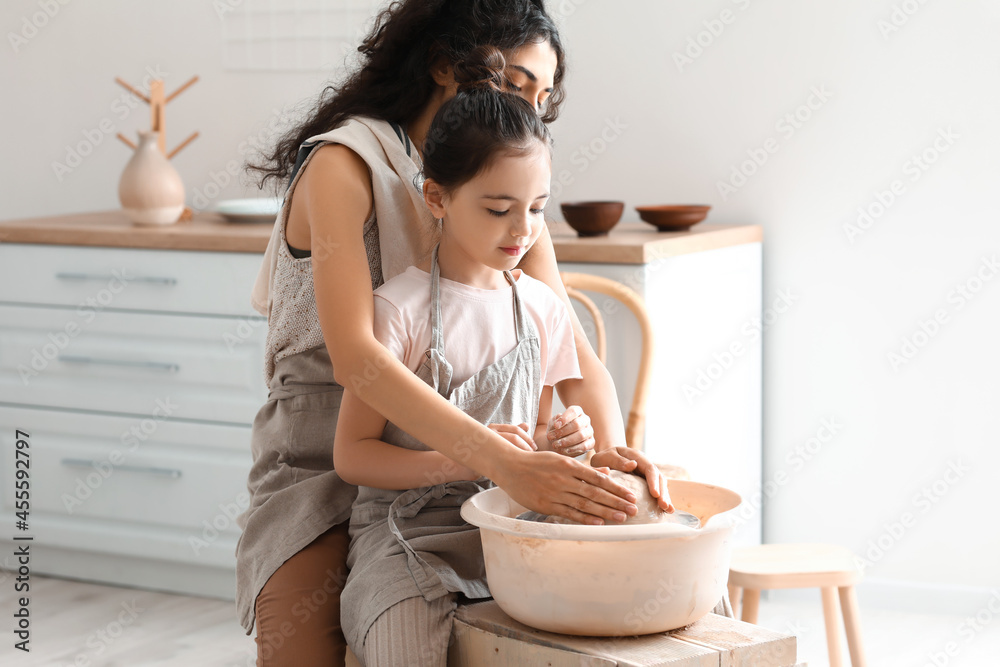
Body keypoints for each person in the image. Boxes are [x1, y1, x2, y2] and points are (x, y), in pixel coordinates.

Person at [237, 1, 671, 664]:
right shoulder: (343, 166)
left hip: (477, 485)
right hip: (323, 463)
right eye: (517, 82)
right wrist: (498, 460)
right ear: (444, 65)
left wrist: (609, 459)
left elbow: (577, 361)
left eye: (543, 95)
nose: (529, 108)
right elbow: (359, 360)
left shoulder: (507, 199)